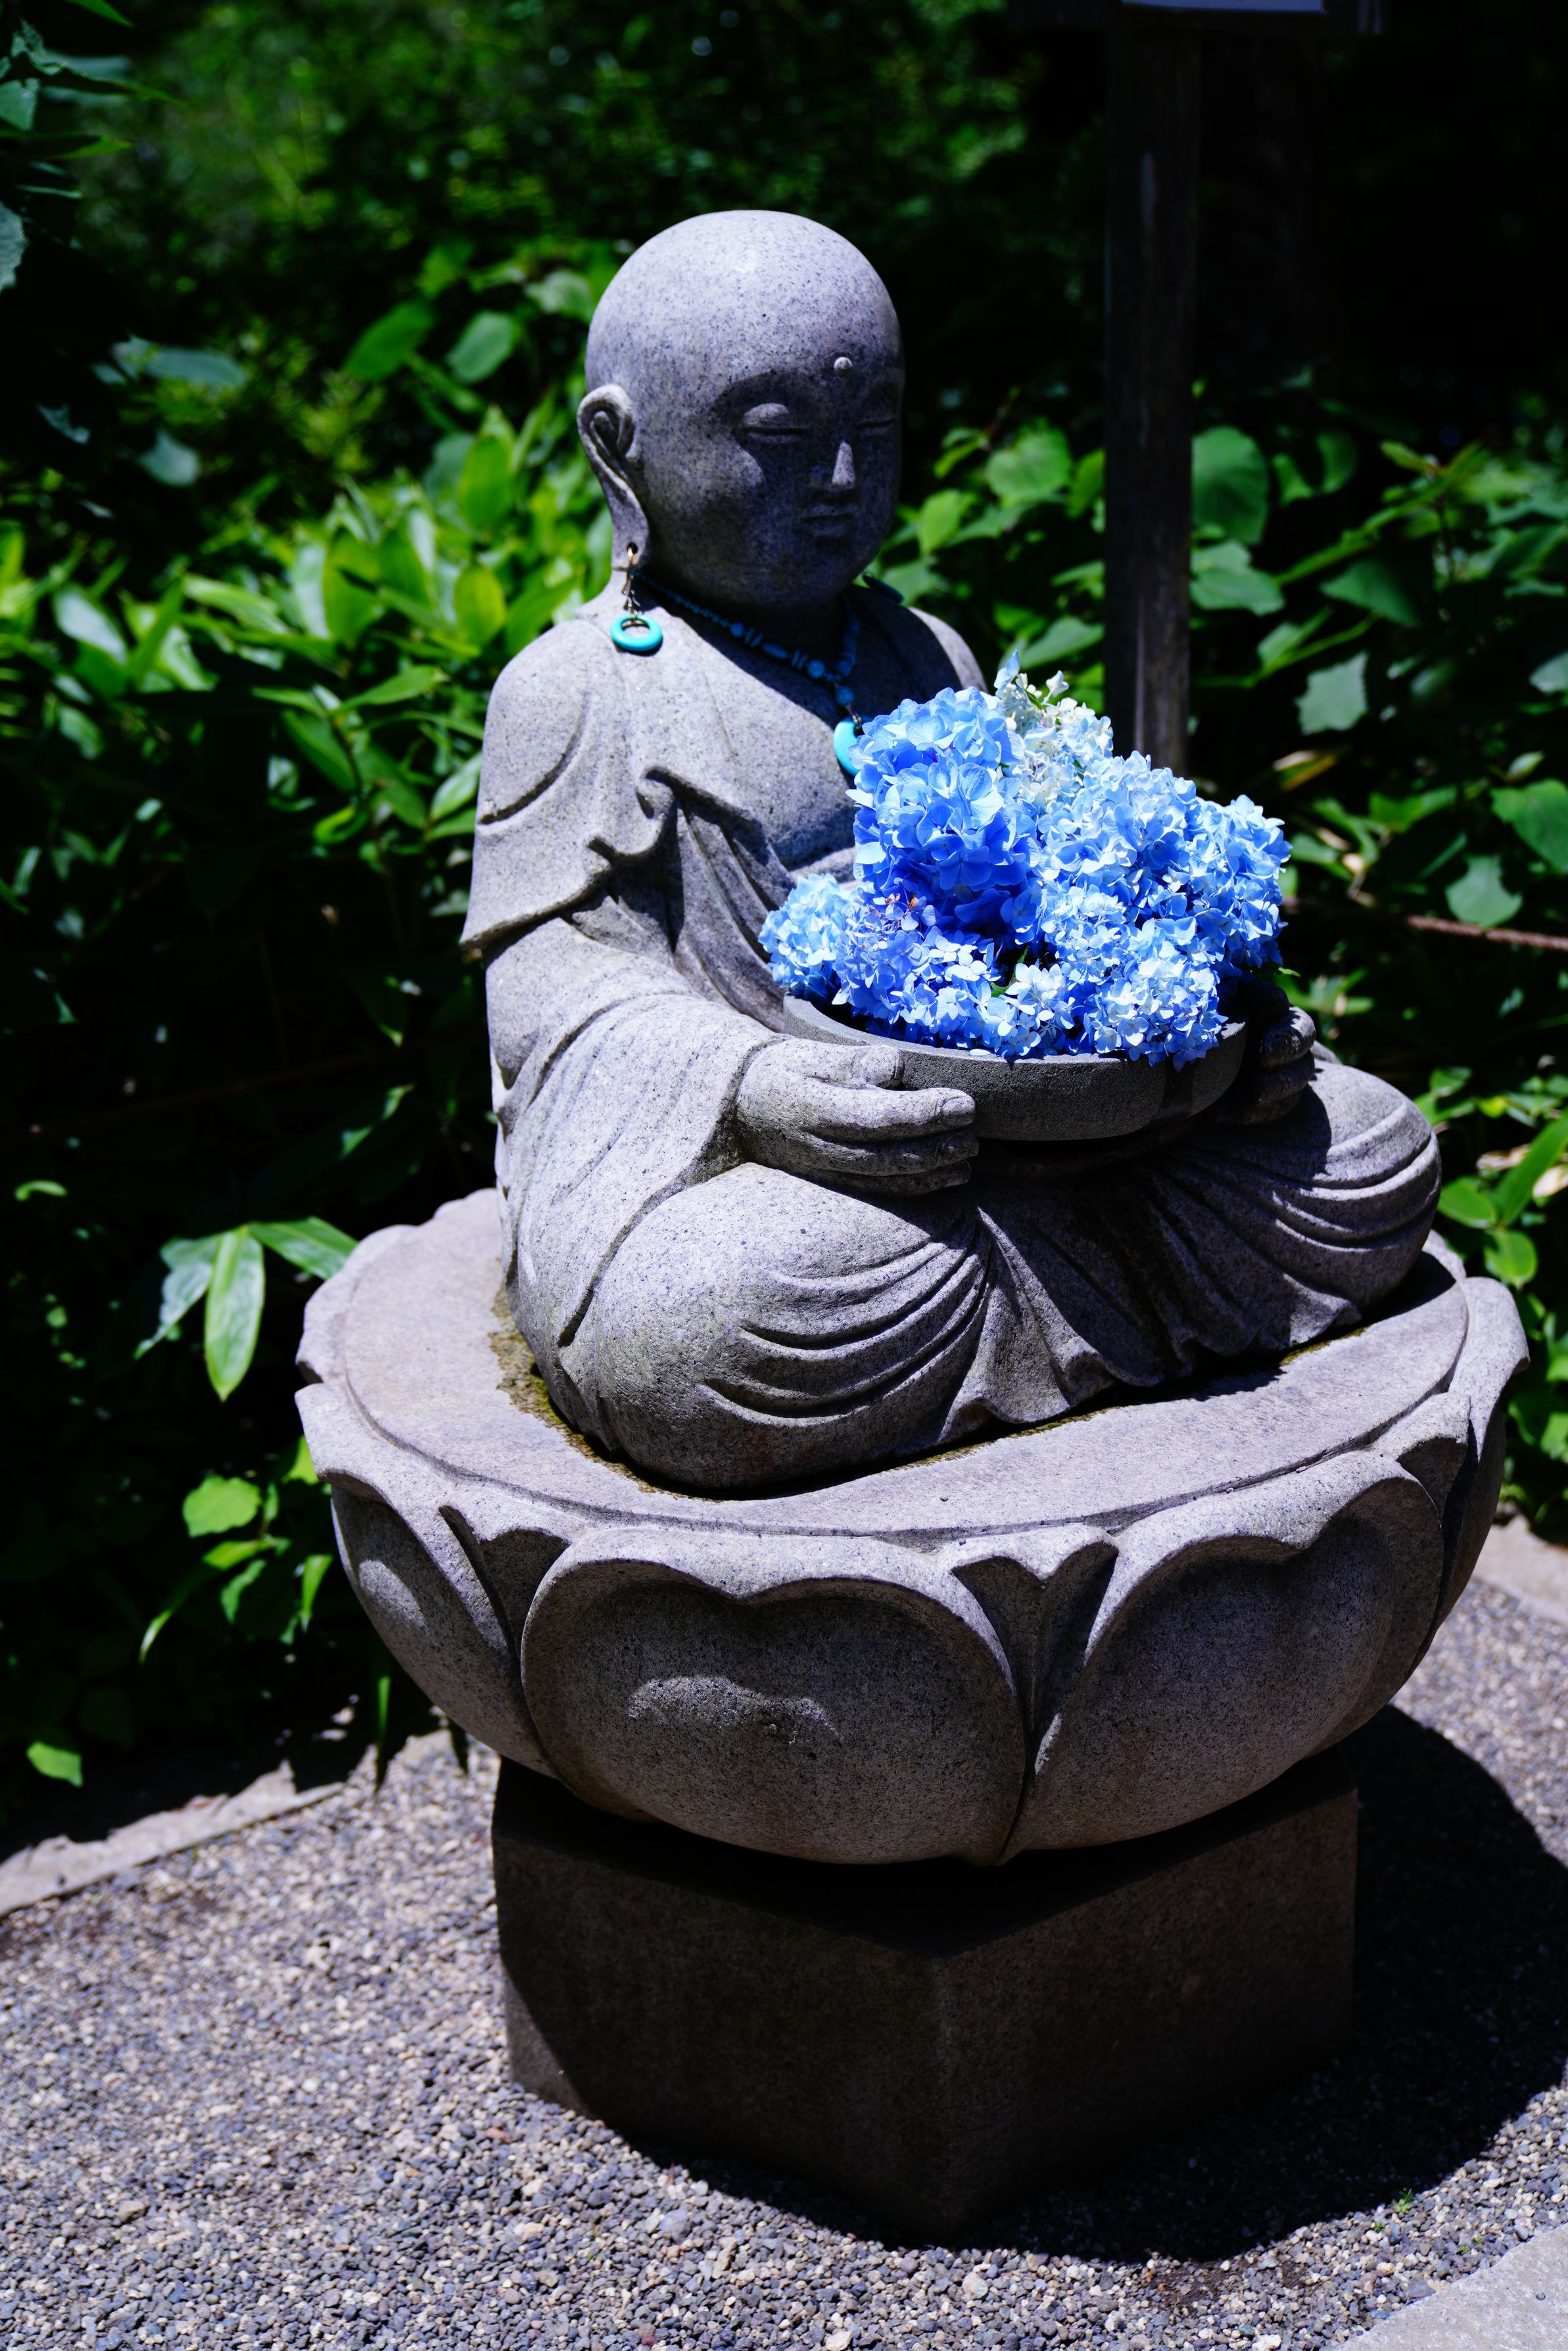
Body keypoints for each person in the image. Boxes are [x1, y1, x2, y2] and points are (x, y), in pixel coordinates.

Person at [462, 210, 1439, 1492]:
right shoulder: (582, 689)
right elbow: (546, 984)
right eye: (779, 437)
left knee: (1369, 1147)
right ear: (617, 443)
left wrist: (1205, 1013)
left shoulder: (924, 651)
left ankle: (1062, 1285)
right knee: (697, 1330)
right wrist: (749, 1087)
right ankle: (1108, 1300)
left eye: (873, 430)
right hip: (804, 1180)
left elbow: (1044, 904)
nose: (839, 478)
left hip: (1019, 1145)